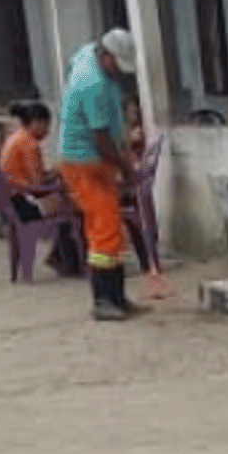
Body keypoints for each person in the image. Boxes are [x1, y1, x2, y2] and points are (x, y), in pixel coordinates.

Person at [57, 29, 141, 320]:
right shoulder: (91, 83)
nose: (119, 72)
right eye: (116, 64)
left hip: (96, 160)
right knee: (104, 227)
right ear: (104, 55)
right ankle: (104, 300)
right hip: (84, 161)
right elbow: (101, 138)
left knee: (110, 225)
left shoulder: (87, 53)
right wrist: (126, 169)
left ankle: (117, 297)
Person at [0, 101, 81, 277]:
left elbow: (34, 178)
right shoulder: (29, 144)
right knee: (75, 207)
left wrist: (54, 173)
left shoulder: (16, 137)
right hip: (23, 204)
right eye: (46, 125)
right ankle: (68, 259)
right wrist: (59, 176)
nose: (48, 131)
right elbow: (38, 185)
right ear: (37, 122)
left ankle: (61, 257)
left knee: (65, 204)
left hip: (12, 203)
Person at [121, 96, 171, 300]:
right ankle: (150, 264)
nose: (135, 115)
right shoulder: (120, 134)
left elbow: (136, 165)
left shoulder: (137, 134)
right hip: (128, 188)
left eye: (136, 111)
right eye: (131, 112)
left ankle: (151, 265)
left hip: (132, 189)